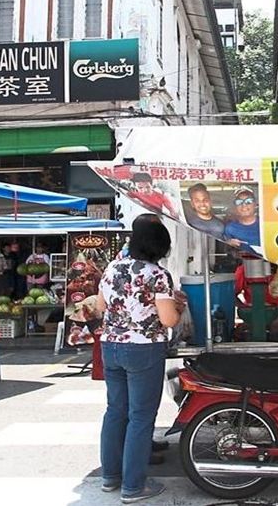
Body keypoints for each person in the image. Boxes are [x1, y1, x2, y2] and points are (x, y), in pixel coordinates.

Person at [96, 216, 185, 503]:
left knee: (115, 411)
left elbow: (100, 307)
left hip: (110, 346)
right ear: (158, 246)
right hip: (144, 349)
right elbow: (169, 319)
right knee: (141, 417)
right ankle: (133, 487)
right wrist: (177, 306)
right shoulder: (156, 274)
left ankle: (110, 477)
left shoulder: (112, 267)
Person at [222, 187, 261, 252]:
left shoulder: (265, 224)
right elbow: (229, 253)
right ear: (235, 206)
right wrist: (229, 244)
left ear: (255, 204)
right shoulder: (230, 228)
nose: (244, 205)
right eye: (239, 202)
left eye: (248, 201)